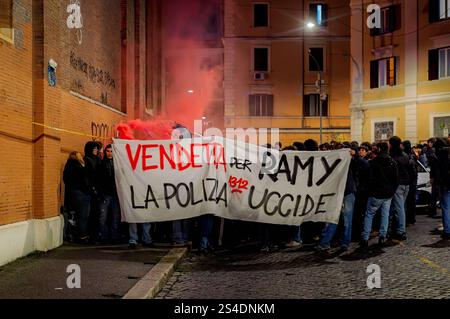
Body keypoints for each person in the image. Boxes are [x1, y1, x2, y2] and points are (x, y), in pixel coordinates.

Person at [317, 148, 358, 252]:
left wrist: (355, 155)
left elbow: (361, 164)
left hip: (345, 192)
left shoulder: (348, 161)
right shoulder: (330, 163)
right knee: (333, 218)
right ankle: (327, 242)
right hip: (337, 192)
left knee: (343, 219)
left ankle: (342, 242)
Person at [360, 142, 399, 250]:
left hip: (376, 194)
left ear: (379, 149)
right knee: (385, 215)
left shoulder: (373, 163)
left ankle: (365, 238)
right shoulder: (392, 162)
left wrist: (370, 191)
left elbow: (369, 179)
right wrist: (392, 191)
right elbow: (396, 180)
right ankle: (382, 236)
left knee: (369, 214)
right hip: (388, 194)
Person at [389, 136, 414, 241]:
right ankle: (398, 229)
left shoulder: (393, 156)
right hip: (406, 184)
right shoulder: (405, 155)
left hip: (398, 184)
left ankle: (401, 231)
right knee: (400, 207)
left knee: (399, 208)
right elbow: (411, 169)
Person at [63, 151, 91, 244]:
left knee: (74, 216)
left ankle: (74, 235)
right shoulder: (80, 168)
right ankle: (83, 236)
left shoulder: (67, 168)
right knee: (83, 216)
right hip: (82, 194)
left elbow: (66, 181)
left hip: (71, 194)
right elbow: (86, 181)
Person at [97, 144, 121, 243]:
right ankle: (104, 237)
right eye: (108, 151)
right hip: (105, 194)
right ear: (105, 152)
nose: (109, 153)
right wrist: (100, 192)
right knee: (103, 217)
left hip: (116, 194)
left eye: (111, 151)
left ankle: (114, 237)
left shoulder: (118, 164)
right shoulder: (101, 164)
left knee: (116, 216)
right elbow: (97, 180)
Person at [434, 138, 450, 240]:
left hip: (446, 184)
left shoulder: (439, 157)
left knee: (446, 207)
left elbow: (438, 173)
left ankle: (448, 230)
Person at [402, 140, 418, 226]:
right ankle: (411, 219)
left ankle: (408, 220)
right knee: (411, 202)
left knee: (407, 202)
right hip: (412, 182)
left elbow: (412, 172)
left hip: (409, 182)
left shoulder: (408, 157)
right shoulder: (413, 156)